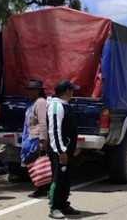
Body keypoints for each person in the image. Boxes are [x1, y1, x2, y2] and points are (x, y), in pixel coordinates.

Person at [46, 80, 80, 219]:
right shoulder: (55, 106)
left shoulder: (64, 105)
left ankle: (63, 204)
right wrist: (61, 151)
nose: (73, 93)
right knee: (58, 178)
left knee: (66, 178)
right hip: (59, 151)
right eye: (72, 90)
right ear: (67, 91)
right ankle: (54, 207)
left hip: (67, 150)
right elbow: (54, 130)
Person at [21, 80, 50, 198]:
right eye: (29, 89)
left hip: (37, 138)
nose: (29, 92)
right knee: (34, 163)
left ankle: (43, 188)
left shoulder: (40, 102)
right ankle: (42, 187)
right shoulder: (32, 103)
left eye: (32, 90)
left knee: (39, 163)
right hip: (30, 137)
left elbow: (43, 123)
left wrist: (43, 141)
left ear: (39, 91)